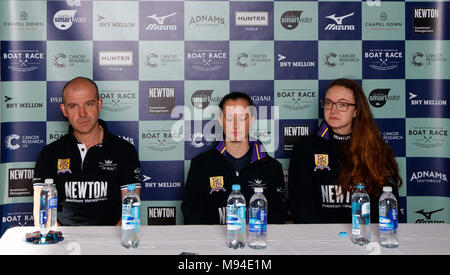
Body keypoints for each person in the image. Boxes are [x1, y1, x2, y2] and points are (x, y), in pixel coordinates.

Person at [288, 78, 402, 223]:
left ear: (356, 111)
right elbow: (301, 209)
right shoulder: (305, 148)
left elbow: (389, 207)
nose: (333, 110)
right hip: (319, 238)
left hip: (365, 236)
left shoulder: (378, 149)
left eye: (342, 104)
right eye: (328, 103)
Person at [32, 77, 141, 226]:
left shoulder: (124, 150)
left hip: (111, 244)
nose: (82, 114)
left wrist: (110, 247)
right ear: (64, 110)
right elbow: (42, 214)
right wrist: (63, 245)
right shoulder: (49, 153)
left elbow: (131, 211)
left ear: (99, 105)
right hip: (64, 242)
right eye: (73, 106)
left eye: (89, 104)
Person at [181, 92, 286, 225]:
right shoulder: (201, 164)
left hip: (256, 241)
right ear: (220, 120)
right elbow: (192, 214)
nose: (236, 125)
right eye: (230, 118)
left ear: (252, 119)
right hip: (213, 243)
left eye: (242, 118)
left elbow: (277, 217)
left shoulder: (272, 167)